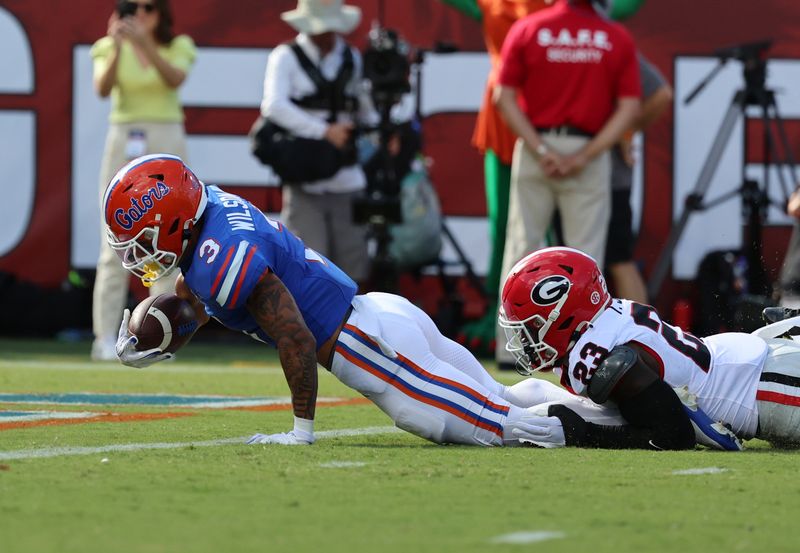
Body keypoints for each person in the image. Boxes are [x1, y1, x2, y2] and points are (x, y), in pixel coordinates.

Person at [103, 154, 625, 447]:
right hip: (381, 314)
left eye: (140, 239)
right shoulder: (211, 211)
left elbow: (295, 335)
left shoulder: (220, 254)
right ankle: (613, 409)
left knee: (502, 428)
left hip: (364, 346)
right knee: (502, 399)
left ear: (169, 219)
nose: (138, 254)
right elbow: (201, 302)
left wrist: (300, 431)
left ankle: (630, 424)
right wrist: (162, 337)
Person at [497, 246, 800, 449]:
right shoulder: (606, 318)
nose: (526, 340)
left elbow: (672, 434)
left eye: (532, 326)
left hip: (762, 387)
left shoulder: (602, 358)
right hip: (747, 361)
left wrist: (582, 434)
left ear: (562, 315)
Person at [492, 0, 641, 368]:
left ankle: (508, 349)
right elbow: (629, 107)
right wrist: (586, 154)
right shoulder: (614, 36)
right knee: (586, 257)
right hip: (587, 152)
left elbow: (502, 97)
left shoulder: (528, 28)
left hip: (535, 145)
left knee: (519, 249)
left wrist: (540, 147)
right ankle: (583, 349)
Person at [440, 0, 550, 353]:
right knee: (503, 223)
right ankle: (500, 310)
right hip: (507, 115)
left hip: (554, 110)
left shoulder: (566, 10)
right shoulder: (493, 4)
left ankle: (562, 311)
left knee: (558, 226)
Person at [90, 0, 196, 361]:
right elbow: (102, 89)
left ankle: (160, 334)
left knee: (170, 238)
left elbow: (174, 78)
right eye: (130, 7)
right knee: (113, 240)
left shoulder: (177, 45)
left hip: (165, 135)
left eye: (147, 7)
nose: (138, 14)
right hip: (123, 134)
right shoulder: (108, 45)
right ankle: (105, 337)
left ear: (160, 14)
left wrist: (143, 43)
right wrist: (120, 45)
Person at [260, 0, 373, 286]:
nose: (326, 35)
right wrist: (324, 130)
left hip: (347, 179)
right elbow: (273, 105)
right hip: (305, 178)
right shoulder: (285, 56)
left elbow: (363, 109)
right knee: (305, 268)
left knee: (352, 268)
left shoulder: (351, 57)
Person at [604, 55, 673, 303]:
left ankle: (643, 335)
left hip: (606, 174)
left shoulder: (611, 43)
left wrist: (625, 129)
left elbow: (661, 93)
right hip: (586, 169)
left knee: (618, 260)